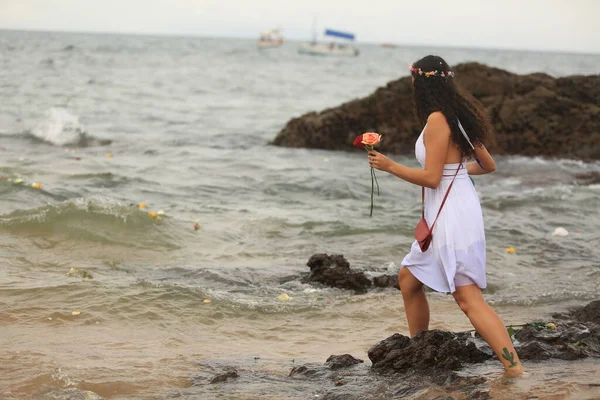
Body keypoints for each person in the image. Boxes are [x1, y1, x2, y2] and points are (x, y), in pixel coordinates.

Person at [367, 55, 524, 376]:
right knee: (409, 279)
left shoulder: (439, 119)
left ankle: (515, 369)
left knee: (467, 297)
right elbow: (486, 165)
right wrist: (456, 173)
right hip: (456, 207)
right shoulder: (459, 117)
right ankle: (418, 347)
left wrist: (389, 166)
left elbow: (431, 178)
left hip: (452, 215)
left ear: (419, 83)